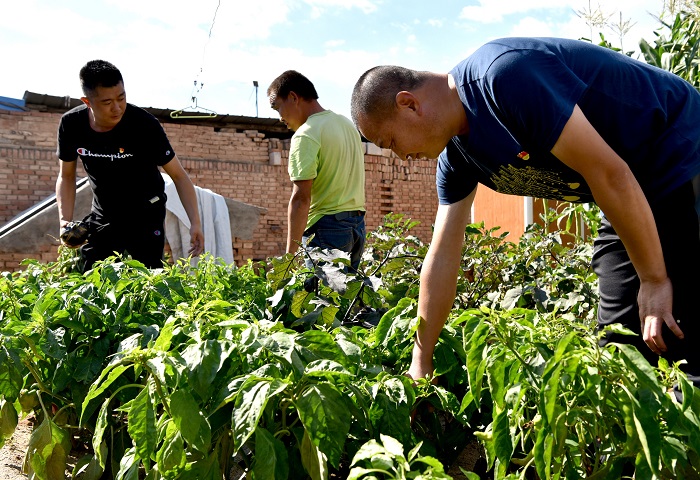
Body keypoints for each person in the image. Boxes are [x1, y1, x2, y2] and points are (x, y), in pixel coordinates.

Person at [351, 37, 700, 386]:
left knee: (680, 336)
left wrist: (654, 280)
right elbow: (442, 256)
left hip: (679, 153)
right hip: (626, 192)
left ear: (409, 104)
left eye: (390, 142)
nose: (398, 156)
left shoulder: (504, 77)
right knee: (618, 348)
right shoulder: (456, 157)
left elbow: (610, 173)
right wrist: (421, 359)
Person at [56, 59, 204, 271]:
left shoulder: (144, 125)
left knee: (149, 280)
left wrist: (195, 223)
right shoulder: (71, 125)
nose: (117, 108)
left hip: (146, 213)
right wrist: (65, 221)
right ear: (87, 101)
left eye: (122, 97)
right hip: (103, 214)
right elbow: (67, 176)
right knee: (94, 280)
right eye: (107, 102)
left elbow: (179, 176)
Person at [268, 70, 366, 271]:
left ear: (293, 97)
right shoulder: (347, 124)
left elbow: (301, 200)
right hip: (356, 226)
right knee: (347, 299)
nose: (279, 118)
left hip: (326, 231)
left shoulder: (306, 134)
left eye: (277, 108)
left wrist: (290, 255)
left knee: (321, 301)